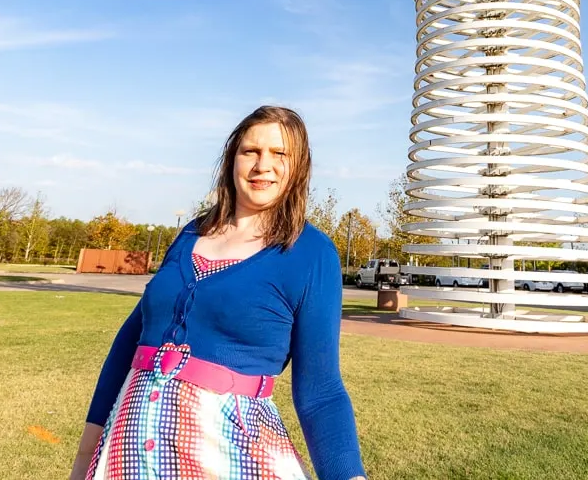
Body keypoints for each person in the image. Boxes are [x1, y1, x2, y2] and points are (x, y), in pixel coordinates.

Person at [69, 105, 366, 480]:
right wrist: (84, 456)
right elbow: (130, 341)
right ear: (232, 159)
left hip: (227, 451)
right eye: (251, 151)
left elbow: (321, 392)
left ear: (299, 167)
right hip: (127, 449)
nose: (263, 166)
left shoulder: (311, 253)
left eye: (280, 154)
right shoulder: (191, 232)